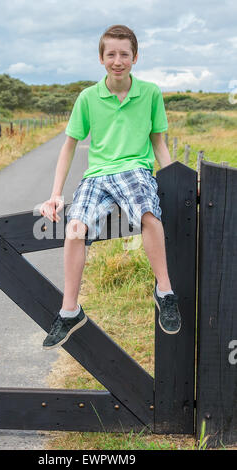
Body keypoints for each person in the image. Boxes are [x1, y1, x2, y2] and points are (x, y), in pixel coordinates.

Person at [39, 24, 181, 350]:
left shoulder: (150, 93)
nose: (118, 60)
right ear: (101, 58)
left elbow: (157, 141)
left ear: (135, 57)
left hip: (134, 169)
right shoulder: (88, 97)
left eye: (124, 54)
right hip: (97, 176)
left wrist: (176, 180)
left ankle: (165, 291)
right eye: (111, 54)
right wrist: (56, 194)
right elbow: (69, 146)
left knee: (148, 213)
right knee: (75, 228)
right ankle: (70, 309)